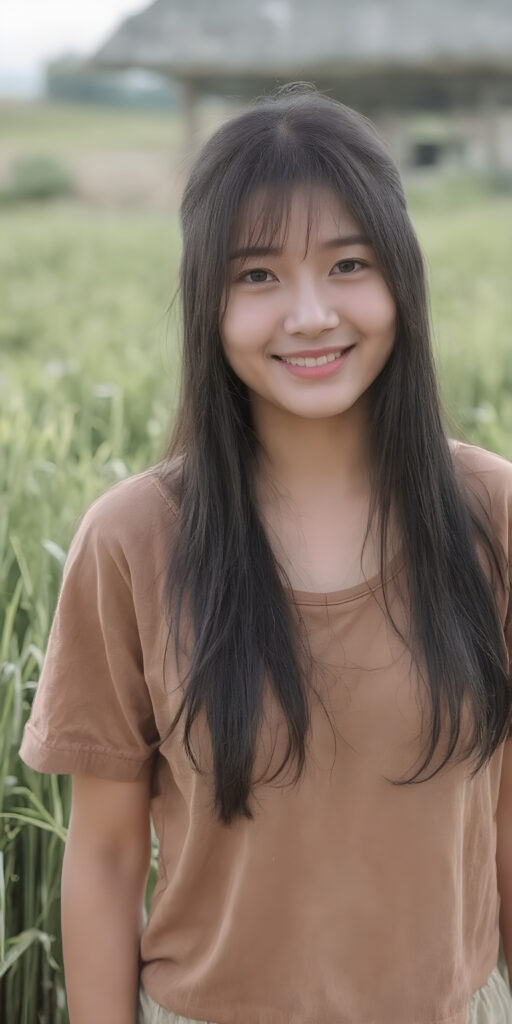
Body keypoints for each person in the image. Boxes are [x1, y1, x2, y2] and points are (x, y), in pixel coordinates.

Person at [19, 83, 512, 1024]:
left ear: (400, 278)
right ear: (208, 302)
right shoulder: (132, 541)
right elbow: (107, 856)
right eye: (258, 276)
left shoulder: (492, 515)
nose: (311, 314)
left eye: (348, 264)